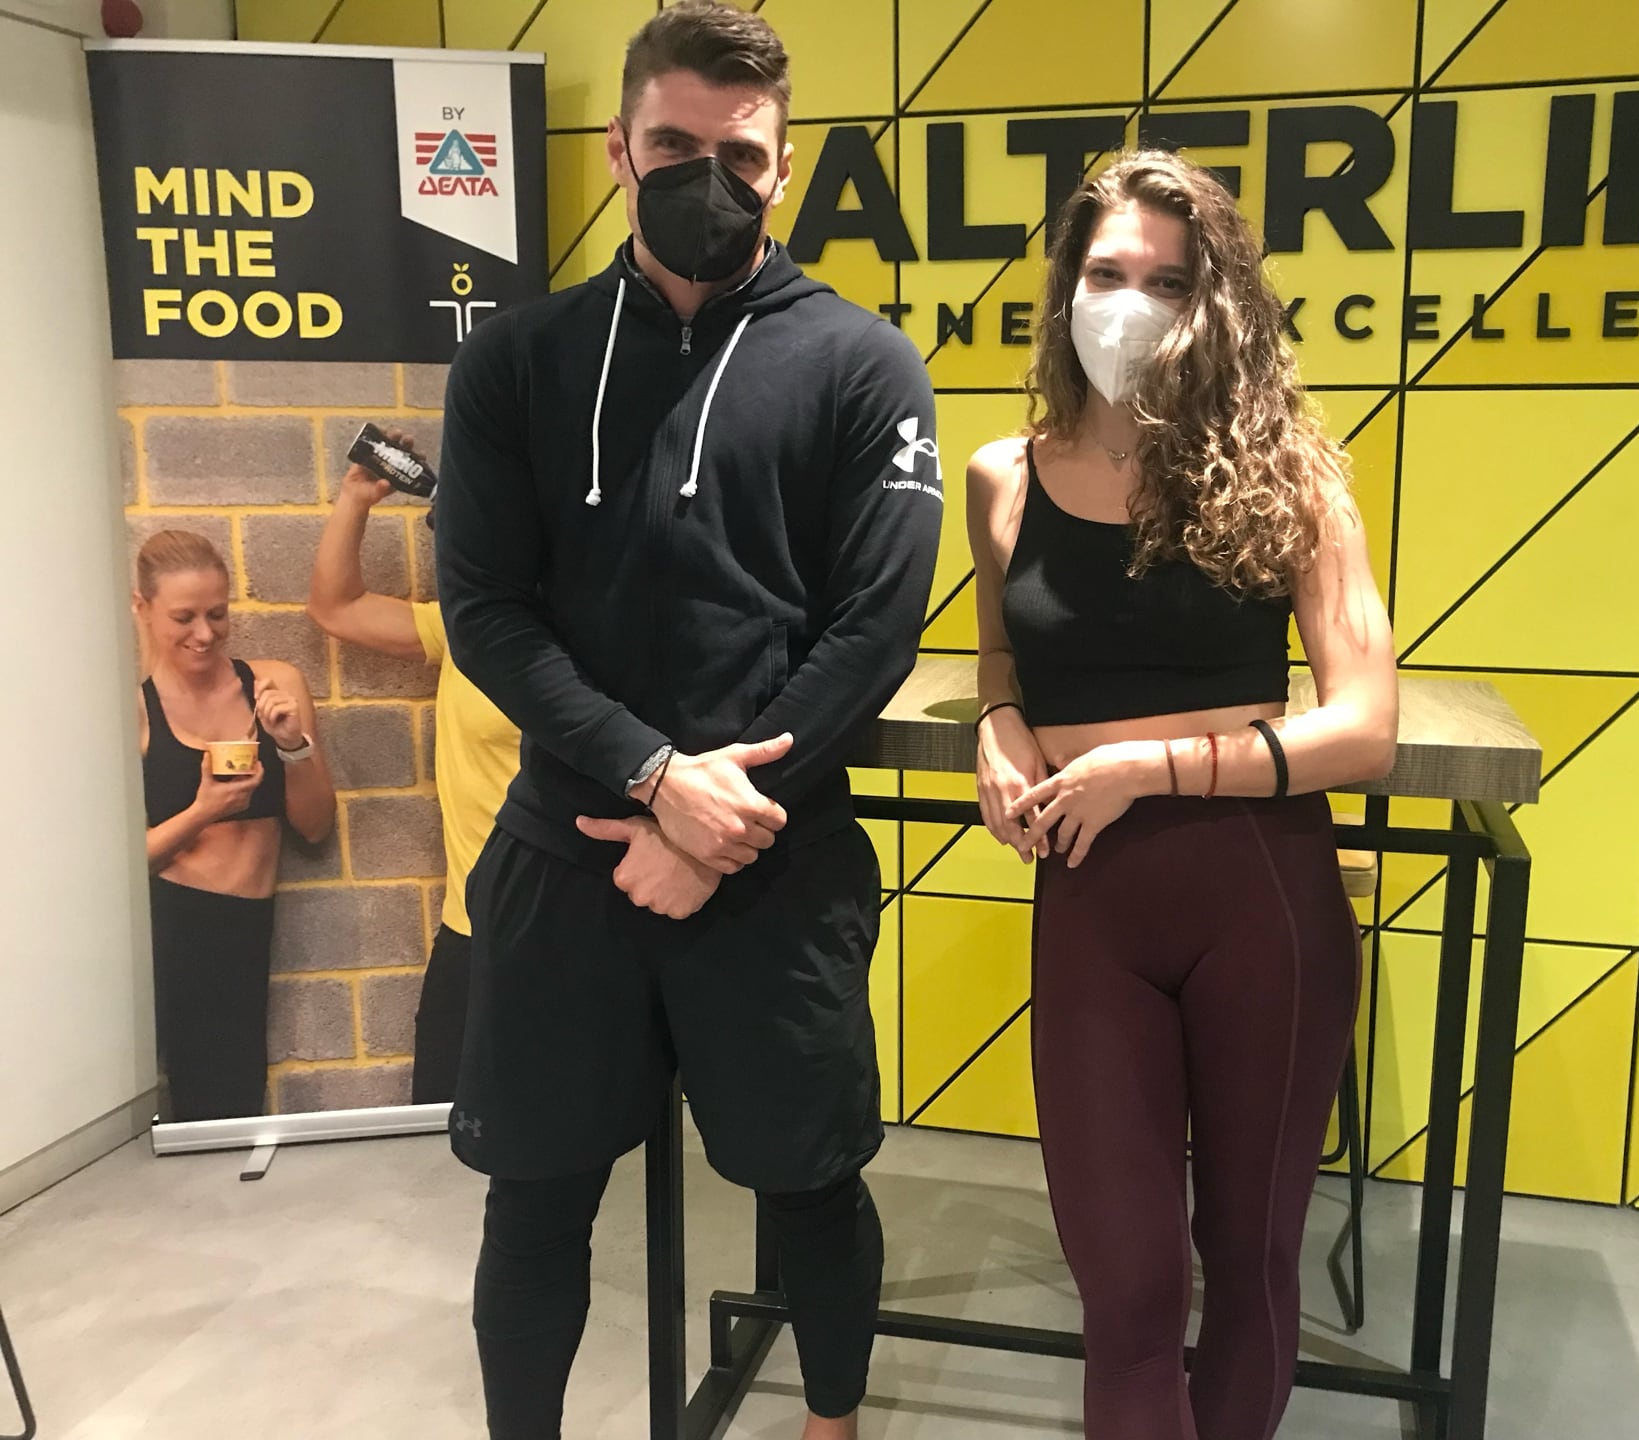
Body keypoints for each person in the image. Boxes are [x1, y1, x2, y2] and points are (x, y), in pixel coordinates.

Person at [431, 5, 942, 1437]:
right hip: (568, 852)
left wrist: (720, 826)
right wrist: (659, 780)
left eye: (742, 155)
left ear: (785, 166)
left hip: (776, 866)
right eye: (673, 147)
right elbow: (486, 612)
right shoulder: (516, 362)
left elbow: (873, 630)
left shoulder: (864, 366)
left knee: (812, 1186)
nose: (707, 179)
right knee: (534, 1202)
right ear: (619, 148)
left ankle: (830, 1427)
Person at [966, 150, 1399, 1440]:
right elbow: (1002, 654)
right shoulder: (1002, 477)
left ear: (1217, 302)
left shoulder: (1290, 475)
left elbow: (1365, 727)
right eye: (1107, 274)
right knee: (1129, 1291)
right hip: (1090, 904)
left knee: (1250, 1264)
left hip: (1258, 890)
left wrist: (1148, 769)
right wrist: (997, 719)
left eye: (1167, 282)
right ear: (1066, 288)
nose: (1131, 305)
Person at [306, 433, 521, 1104]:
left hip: (575, 936)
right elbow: (336, 607)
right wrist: (355, 499)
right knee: (435, 1126)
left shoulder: (601, 640)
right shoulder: (466, 630)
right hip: (474, 930)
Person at [135, 529, 335, 1122]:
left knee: (231, 1107)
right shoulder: (134, 709)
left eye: (217, 614)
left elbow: (316, 828)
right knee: (147, 1116)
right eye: (184, 617)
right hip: (172, 924)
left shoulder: (273, 685)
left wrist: (291, 745)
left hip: (246, 927)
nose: (204, 633)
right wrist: (204, 811)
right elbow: (113, 868)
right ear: (142, 608)